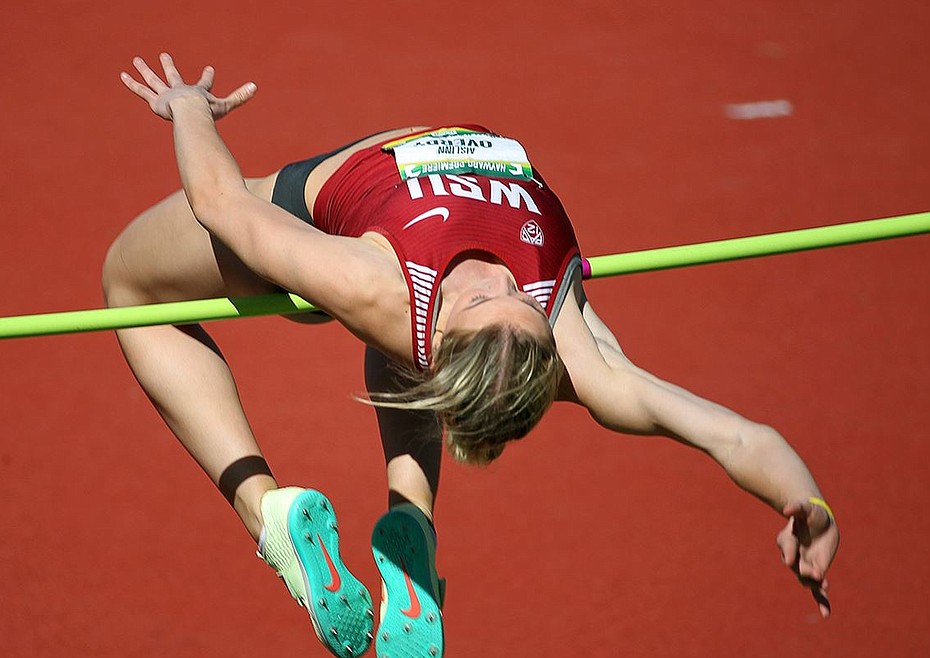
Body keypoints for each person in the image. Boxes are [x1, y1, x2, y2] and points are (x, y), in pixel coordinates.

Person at [105, 53, 839, 658]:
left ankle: (269, 514)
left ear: (443, 333)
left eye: (484, 300)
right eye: (517, 296)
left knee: (128, 285)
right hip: (410, 297)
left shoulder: (375, 286)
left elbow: (223, 204)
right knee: (414, 354)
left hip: (330, 220)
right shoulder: (574, 344)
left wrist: (190, 109)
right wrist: (808, 504)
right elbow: (741, 436)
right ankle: (412, 529)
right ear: (545, 342)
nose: (498, 278)